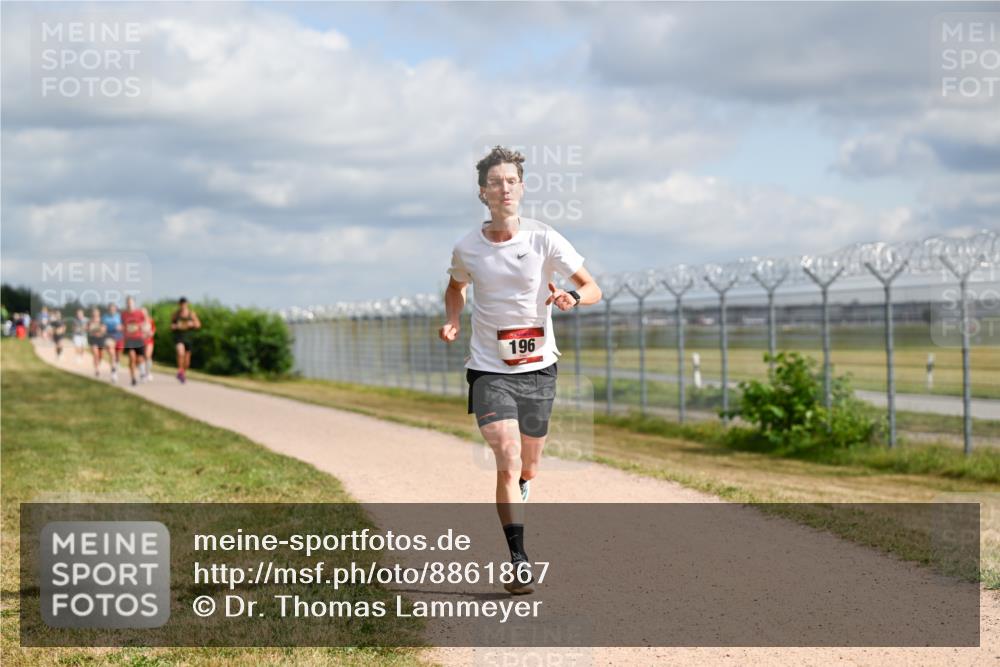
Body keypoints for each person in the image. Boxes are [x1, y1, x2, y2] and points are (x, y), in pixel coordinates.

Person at [439, 146, 601, 595]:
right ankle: (518, 560)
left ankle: (527, 482)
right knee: (507, 458)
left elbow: (593, 288)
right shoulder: (467, 247)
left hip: (539, 369)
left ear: (522, 188)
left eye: (511, 180)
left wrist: (571, 296)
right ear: (482, 193)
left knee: (529, 463)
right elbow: (455, 288)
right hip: (489, 370)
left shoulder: (544, 238)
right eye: (495, 181)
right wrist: (454, 318)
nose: (504, 188)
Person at [170, 297, 200, 383]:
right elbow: (171, 326)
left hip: (189, 339)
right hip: (179, 338)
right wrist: (174, 327)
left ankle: (183, 373)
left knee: (187, 362)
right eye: (181, 304)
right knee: (180, 352)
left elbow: (198, 325)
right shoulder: (176, 314)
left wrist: (192, 324)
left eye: (184, 304)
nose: (183, 305)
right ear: (179, 304)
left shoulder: (191, 314)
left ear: (187, 304)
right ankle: (180, 371)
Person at [121, 296, 149, 387]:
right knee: (132, 357)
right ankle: (133, 379)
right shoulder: (124, 314)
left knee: (140, 359)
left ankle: (142, 372)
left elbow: (146, 322)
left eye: (131, 302)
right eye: (128, 302)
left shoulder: (139, 313)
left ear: (134, 303)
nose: (129, 304)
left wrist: (144, 328)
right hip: (129, 339)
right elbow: (122, 325)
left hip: (138, 338)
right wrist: (122, 329)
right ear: (126, 304)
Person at [101, 302, 123, 384]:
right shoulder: (105, 317)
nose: (112, 310)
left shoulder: (120, 316)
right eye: (110, 309)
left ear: (116, 309)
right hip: (109, 336)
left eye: (113, 309)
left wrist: (120, 327)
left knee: (118, 356)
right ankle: (113, 373)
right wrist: (103, 329)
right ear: (108, 309)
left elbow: (124, 326)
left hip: (119, 336)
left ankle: (117, 363)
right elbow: (103, 326)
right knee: (112, 353)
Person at [86, 307, 110, 378]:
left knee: (100, 355)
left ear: (99, 314)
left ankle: (98, 364)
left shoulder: (102, 321)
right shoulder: (89, 322)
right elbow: (87, 329)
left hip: (101, 339)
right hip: (93, 340)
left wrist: (99, 330)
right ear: (92, 314)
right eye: (94, 313)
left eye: (96, 313)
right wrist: (89, 329)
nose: (95, 315)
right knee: (95, 354)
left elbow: (104, 330)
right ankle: (97, 370)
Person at [141, 307, 156, 382]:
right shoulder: (138, 321)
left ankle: (148, 373)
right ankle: (143, 373)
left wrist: (151, 333)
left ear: (147, 312)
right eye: (141, 312)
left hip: (149, 341)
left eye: (144, 312)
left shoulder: (150, 320)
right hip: (141, 341)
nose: (143, 314)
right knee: (142, 358)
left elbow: (153, 330)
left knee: (148, 356)